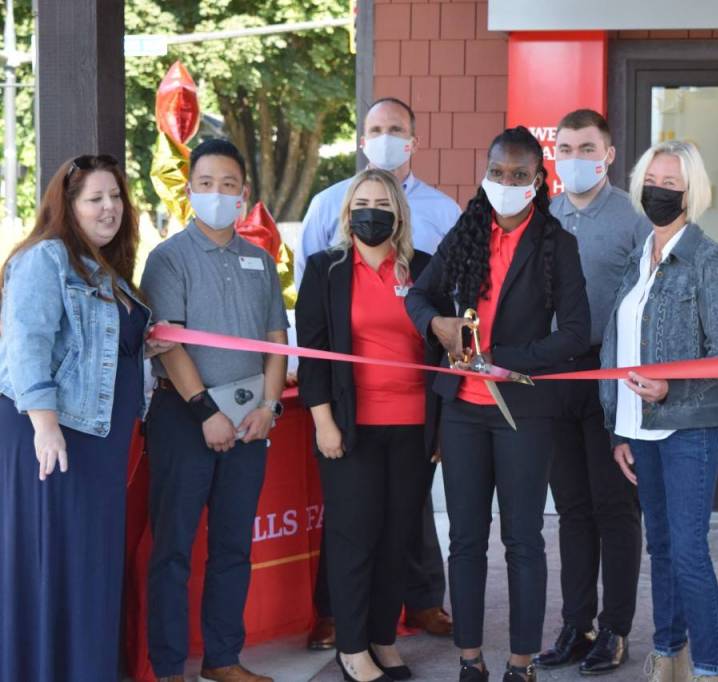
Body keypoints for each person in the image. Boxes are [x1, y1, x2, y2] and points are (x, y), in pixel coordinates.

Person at [405, 126, 589, 682]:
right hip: (461, 410)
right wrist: (435, 324)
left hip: (522, 413)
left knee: (523, 539)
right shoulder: (468, 232)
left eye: (519, 175)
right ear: (484, 175)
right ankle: (469, 658)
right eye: (497, 173)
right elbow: (418, 296)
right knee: (464, 539)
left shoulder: (558, 244)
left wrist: (507, 359)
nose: (506, 184)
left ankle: (521, 661)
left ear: (538, 180)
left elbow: (577, 334)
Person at [0, 155, 169, 682]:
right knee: (57, 566)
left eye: (115, 197)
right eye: (95, 198)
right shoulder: (45, 259)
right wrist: (45, 426)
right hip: (57, 439)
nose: (109, 208)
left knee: (89, 569)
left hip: (99, 443)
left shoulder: (106, 270)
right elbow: (26, 342)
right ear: (67, 206)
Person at [299, 96, 460, 647]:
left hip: (414, 418)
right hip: (351, 415)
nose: (373, 211)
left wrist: (441, 420)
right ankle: (343, 628)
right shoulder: (326, 228)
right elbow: (315, 338)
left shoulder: (436, 230)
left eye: (396, 129)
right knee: (352, 530)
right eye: (375, 128)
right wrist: (323, 418)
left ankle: (405, 617)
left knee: (403, 529)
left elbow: (448, 330)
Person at [141, 138, 289, 682]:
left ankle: (223, 659)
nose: (217, 194)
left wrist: (270, 406)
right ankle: (168, 667)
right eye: (205, 184)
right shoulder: (168, 258)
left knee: (233, 546)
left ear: (243, 194)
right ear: (190, 190)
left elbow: (277, 338)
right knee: (173, 551)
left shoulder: (259, 259)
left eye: (228, 185)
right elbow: (169, 343)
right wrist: (206, 411)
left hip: (251, 421)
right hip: (185, 418)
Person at [599, 139, 718, 682]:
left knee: (687, 550)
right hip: (640, 429)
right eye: (651, 182)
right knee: (659, 547)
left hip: (688, 429)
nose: (659, 191)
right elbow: (620, 347)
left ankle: (708, 664)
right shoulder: (640, 257)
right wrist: (619, 429)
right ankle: (668, 653)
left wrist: (671, 389)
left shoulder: (710, 260)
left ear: (691, 192)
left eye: (671, 184)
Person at [534, 109, 646, 675]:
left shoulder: (634, 218)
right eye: (567, 148)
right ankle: (576, 623)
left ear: (608, 154)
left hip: (611, 378)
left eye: (587, 148)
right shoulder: (541, 215)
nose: (575, 158)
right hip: (555, 380)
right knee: (572, 510)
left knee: (615, 507)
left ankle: (616, 629)